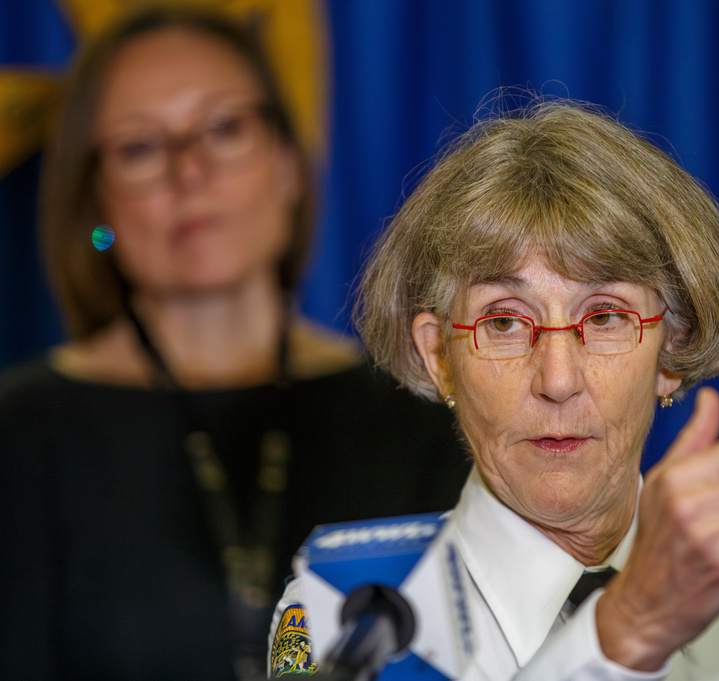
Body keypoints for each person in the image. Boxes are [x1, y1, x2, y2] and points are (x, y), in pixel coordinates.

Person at [272, 97, 719, 680]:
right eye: (503, 321)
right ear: (440, 357)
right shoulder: (352, 615)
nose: (558, 380)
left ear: (673, 348)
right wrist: (621, 634)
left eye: (606, 317)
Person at [0, 6, 469, 681]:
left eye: (224, 128)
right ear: (95, 203)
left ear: (288, 163)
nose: (189, 171)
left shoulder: (423, 415)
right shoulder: (20, 432)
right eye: (139, 147)